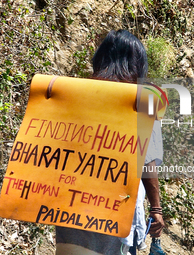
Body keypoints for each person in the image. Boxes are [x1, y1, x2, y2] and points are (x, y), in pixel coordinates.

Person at [55, 29, 165, 255]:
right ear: (137, 66)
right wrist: (156, 208)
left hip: (71, 208)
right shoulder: (141, 102)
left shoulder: (77, 96)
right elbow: (146, 160)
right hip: (113, 212)